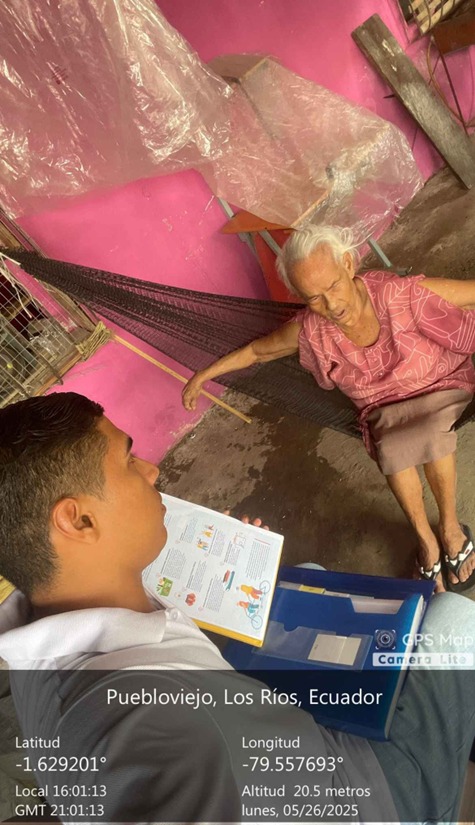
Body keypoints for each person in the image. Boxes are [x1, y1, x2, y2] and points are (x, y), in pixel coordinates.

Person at [0, 391, 474, 824]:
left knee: (303, 575)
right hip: (363, 794)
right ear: (78, 520)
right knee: (453, 618)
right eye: (127, 460)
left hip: (267, 730)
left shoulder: (41, 621)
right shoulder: (159, 728)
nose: (151, 471)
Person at [183, 225, 475, 594]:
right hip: (382, 407)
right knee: (392, 448)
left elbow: (469, 294)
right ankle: (426, 539)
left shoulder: (399, 294)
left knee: (431, 433)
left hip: (439, 385)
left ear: (348, 264)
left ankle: (449, 528)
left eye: (334, 286)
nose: (331, 305)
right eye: (314, 298)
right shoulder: (311, 329)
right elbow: (258, 351)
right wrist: (204, 375)